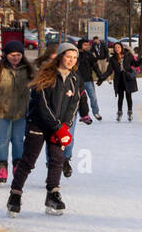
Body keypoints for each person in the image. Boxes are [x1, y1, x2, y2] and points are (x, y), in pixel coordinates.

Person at [6, 44, 91, 216]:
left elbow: (74, 105)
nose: (71, 61)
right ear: (60, 57)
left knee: (57, 160)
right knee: (28, 161)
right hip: (38, 124)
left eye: (74, 58)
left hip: (58, 127)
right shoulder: (46, 76)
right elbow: (43, 106)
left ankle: (52, 194)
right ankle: (15, 195)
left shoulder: (74, 79)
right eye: (68, 57)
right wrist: (58, 127)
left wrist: (65, 127)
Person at [0, 40, 31, 184]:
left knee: (18, 141)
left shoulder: (28, 69)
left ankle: (17, 165)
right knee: (3, 140)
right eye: (12, 55)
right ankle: (2, 166)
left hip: (20, 112)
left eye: (18, 55)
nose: (15, 58)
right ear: (5, 55)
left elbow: (36, 85)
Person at [98, 41, 139, 121]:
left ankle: (130, 112)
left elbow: (136, 64)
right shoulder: (112, 58)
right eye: (115, 48)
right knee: (120, 97)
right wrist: (102, 78)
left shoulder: (128, 55)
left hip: (127, 78)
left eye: (118, 47)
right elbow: (109, 71)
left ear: (121, 48)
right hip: (119, 79)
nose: (117, 49)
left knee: (128, 96)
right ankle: (119, 113)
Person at [77, 38, 105, 120]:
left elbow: (95, 66)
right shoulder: (75, 55)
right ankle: (83, 115)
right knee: (79, 99)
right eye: (85, 45)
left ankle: (96, 112)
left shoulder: (89, 55)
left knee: (93, 97)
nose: (87, 46)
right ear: (80, 45)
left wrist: (100, 77)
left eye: (87, 45)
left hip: (88, 80)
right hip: (78, 81)